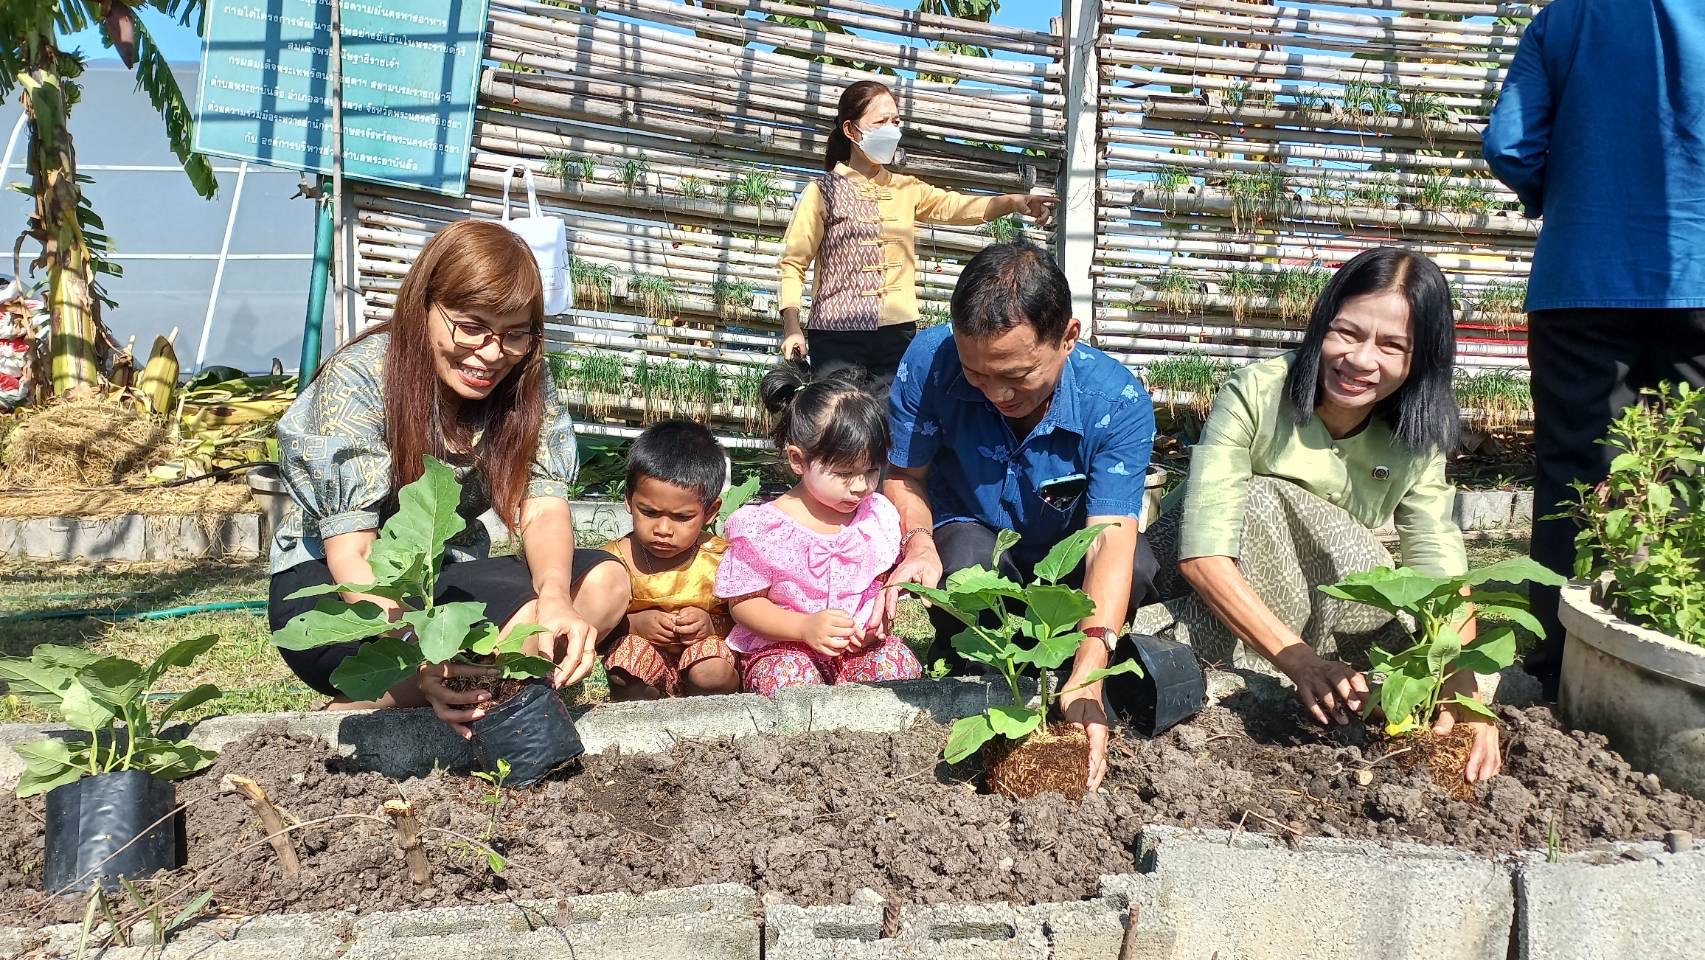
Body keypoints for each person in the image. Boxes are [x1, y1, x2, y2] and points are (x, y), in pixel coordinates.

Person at [1129, 247, 1501, 782]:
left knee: (1380, 603)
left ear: (1421, 359)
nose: (1361, 360)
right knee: (1263, 499)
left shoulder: (1417, 440)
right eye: (1347, 333)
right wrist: (1300, 660)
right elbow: (1203, 554)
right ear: (1321, 324)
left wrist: (1463, 691)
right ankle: (1241, 671)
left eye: (1392, 345)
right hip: (1202, 576)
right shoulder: (1256, 392)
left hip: (1309, 599)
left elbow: (1438, 569)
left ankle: (1173, 659)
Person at [268, 220, 631, 736]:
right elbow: (355, 554)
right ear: (424, 307)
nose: (490, 353)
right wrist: (420, 657)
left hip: (446, 576)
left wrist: (554, 595)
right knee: (517, 622)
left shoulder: (526, 381)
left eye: (513, 334)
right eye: (471, 326)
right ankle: (399, 691)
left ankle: (462, 697)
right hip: (335, 592)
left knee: (604, 582)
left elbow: (543, 506)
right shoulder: (360, 379)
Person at [1482, 0, 1705, 699]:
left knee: (1575, 472)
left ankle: (1557, 673)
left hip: (1579, 277)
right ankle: (1678, 659)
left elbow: (1508, 146)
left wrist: (1577, 198)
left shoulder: (1564, 18)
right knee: (1691, 473)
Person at [883, 241, 1160, 792]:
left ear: (1068, 337)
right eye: (976, 375)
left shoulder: (1117, 400)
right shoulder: (929, 362)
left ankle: (1075, 664)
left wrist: (1091, 666)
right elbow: (904, 476)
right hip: (974, 525)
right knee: (965, 569)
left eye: (1017, 373)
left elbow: (1107, 541)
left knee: (1140, 568)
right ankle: (978, 664)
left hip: (1067, 545)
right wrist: (917, 539)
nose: (996, 393)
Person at [777, 80, 1056, 395]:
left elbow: (957, 206)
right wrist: (792, 327)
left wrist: (1013, 202)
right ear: (852, 131)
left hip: (896, 339)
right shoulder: (822, 191)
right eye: (881, 122)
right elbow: (793, 262)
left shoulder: (907, 188)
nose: (892, 129)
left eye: (896, 121)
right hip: (836, 336)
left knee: (890, 426)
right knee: (836, 426)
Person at [714, 365, 924, 695]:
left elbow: (882, 584)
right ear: (798, 460)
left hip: (856, 650)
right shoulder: (765, 528)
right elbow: (743, 605)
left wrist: (874, 622)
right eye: (844, 473)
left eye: (871, 471)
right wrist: (804, 627)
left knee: (898, 665)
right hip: (784, 648)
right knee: (791, 681)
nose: (861, 487)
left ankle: (873, 743)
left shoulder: (875, 517)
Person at [599, 419, 742, 700]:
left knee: (711, 669)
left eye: (682, 517)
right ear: (629, 499)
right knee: (625, 663)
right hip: (647, 673)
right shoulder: (612, 562)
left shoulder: (722, 558)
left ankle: (713, 723)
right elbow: (595, 628)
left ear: (711, 512)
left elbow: (747, 620)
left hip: (707, 664)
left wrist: (711, 626)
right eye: (649, 512)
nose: (663, 530)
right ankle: (644, 723)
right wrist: (635, 623)